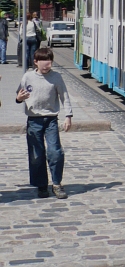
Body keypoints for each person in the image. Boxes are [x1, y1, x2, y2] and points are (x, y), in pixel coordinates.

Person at [15, 47, 72, 199]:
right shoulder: (28, 77)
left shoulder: (56, 77)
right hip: (34, 120)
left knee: (55, 152)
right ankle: (41, 185)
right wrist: (19, 98)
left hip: (51, 119)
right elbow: (18, 95)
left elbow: (64, 97)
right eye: (44, 62)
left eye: (50, 62)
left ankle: (56, 183)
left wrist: (68, 116)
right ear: (36, 62)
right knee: (36, 155)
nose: (47, 65)